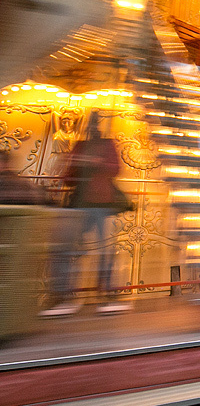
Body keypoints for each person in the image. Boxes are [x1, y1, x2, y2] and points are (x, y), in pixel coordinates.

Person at [43, 112, 128, 316]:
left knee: (105, 250)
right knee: (68, 249)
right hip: (80, 203)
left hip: (100, 203)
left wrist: (93, 162)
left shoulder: (106, 145)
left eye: (94, 125)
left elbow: (115, 169)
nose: (92, 129)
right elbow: (70, 176)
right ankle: (66, 294)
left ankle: (106, 293)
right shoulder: (81, 146)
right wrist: (74, 164)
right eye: (90, 125)